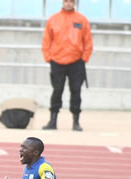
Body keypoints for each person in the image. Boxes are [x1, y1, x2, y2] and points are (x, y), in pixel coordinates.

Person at [41, 0, 93, 132]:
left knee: (76, 91)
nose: (68, 3)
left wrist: (84, 59)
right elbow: (46, 40)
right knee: (57, 90)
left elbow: (88, 41)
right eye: (66, 1)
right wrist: (48, 58)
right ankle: (53, 120)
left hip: (76, 62)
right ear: (62, 2)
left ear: (74, 3)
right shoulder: (53, 20)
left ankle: (76, 121)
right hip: (57, 61)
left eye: (71, 1)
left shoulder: (82, 20)